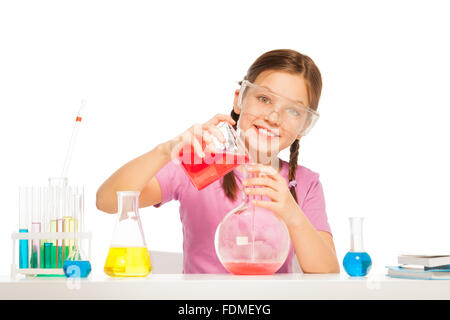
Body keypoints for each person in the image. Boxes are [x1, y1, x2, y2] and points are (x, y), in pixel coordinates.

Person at [96, 49, 340, 274]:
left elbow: (327, 272)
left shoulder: (304, 183)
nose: (274, 117)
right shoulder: (201, 164)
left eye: (294, 111)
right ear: (240, 99)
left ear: (304, 126)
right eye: (264, 99)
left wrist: (291, 211)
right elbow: (107, 201)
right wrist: (166, 151)